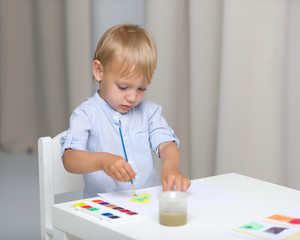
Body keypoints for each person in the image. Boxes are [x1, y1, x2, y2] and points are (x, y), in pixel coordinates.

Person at [61, 24, 191, 198]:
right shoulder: (86, 114)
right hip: (103, 209)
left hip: (147, 204)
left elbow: (167, 144)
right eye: (123, 87)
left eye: (141, 88)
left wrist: (170, 167)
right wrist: (103, 161)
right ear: (99, 71)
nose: (132, 97)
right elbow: (70, 159)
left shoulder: (149, 112)